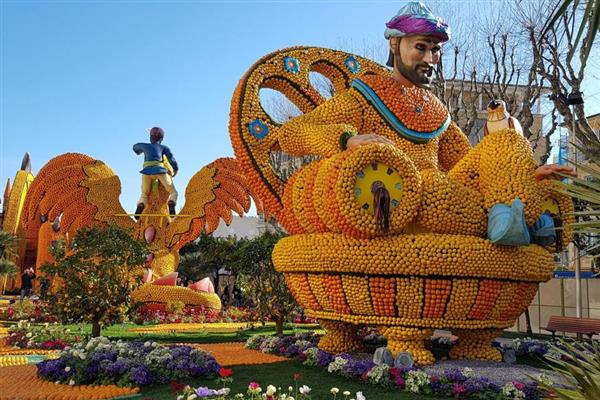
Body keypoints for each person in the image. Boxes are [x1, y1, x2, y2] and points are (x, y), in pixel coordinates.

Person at [277, 1, 576, 246]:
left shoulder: (436, 111)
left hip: (448, 198)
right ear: (394, 44)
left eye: (435, 50)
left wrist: (523, 175)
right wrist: (346, 140)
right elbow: (291, 133)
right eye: (421, 47)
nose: (430, 58)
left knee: (505, 136)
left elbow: (471, 163)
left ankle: (510, 218)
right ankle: (516, 221)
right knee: (430, 184)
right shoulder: (365, 97)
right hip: (404, 203)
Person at [133, 126, 179, 218]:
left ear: (150, 137)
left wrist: (140, 150)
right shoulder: (164, 148)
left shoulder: (144, 145)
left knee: (144, 193)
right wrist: (175, 170)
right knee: (172, 191)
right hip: (160, 171)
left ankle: (141, 204)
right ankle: (171, 202)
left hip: (146, 172)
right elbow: (172, 160)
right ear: (161, 138)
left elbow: (135, 147)